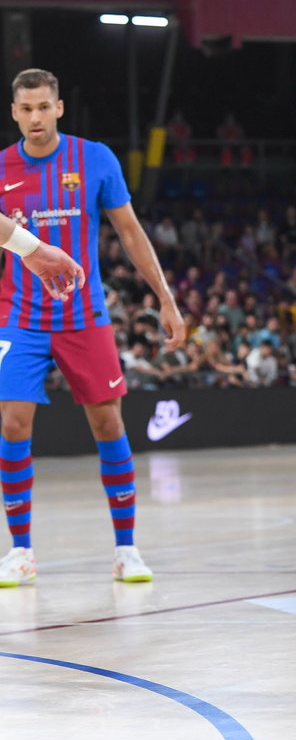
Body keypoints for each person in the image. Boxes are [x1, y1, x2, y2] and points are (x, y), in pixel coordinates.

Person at [0, 68, 186, 587]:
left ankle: (127, 548)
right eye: (26, 108)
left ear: (59, 108)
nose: (36, 117)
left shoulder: (94, 159)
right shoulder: (1, 169)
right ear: (14, 113)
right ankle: (20, 551)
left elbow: (130, 231)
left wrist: (166, 300)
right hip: (19, 316)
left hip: (84, 316)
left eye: (44, 107)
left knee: (108, 424)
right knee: (12, 422)